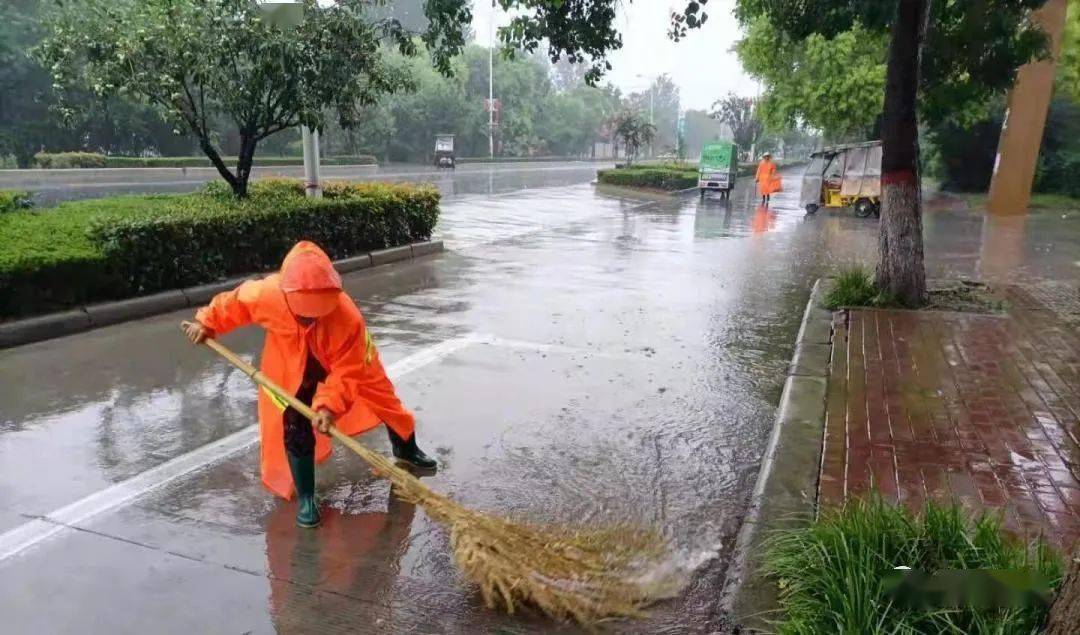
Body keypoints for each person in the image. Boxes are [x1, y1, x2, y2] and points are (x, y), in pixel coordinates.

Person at [183, 240, 436, 528]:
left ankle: (406, 448)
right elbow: (235, 303)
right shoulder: (267, 294)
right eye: (303, 313)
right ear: (287, 296)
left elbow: (347, 371)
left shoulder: (346, 316)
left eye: (317, 312)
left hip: (347, 362)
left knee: (385, 401)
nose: (310, 319)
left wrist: (328, 406)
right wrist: (207, 323)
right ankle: (306, 497)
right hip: (293, 364)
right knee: (295, 421)